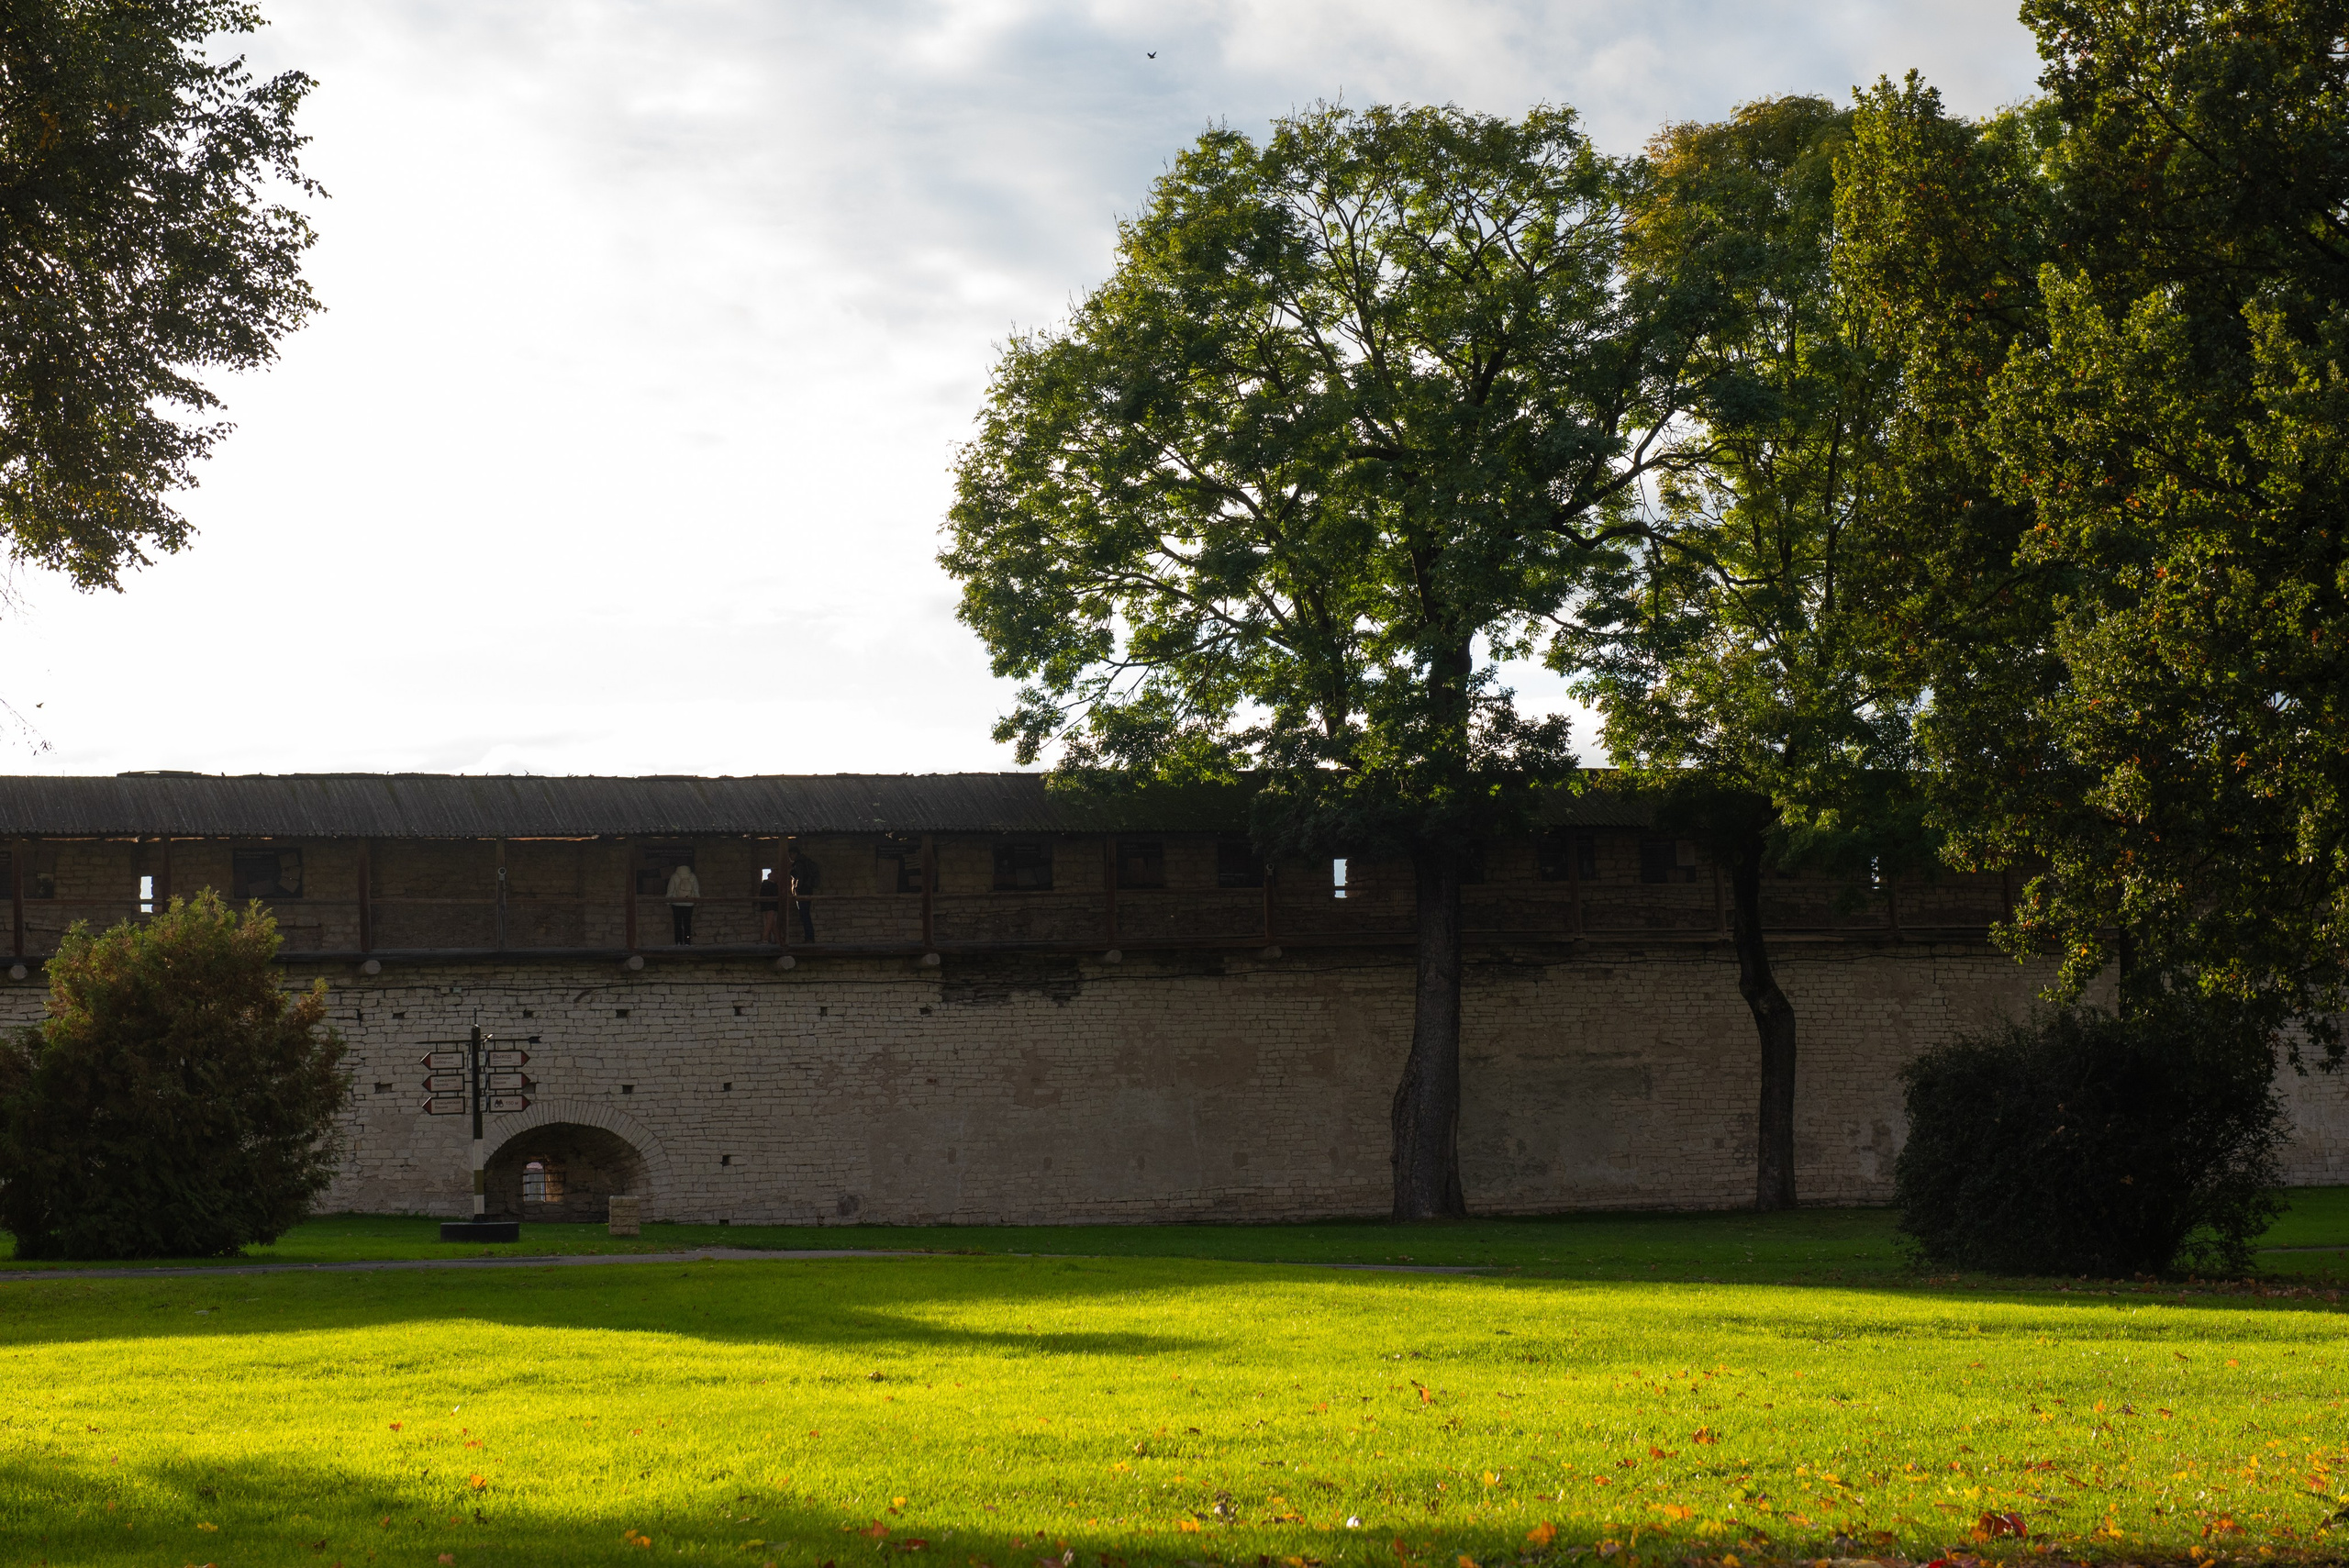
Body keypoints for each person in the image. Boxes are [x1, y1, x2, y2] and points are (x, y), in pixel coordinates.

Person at [665, 860, 700, 945]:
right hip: (689, 904)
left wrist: (667, 902)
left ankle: (678, 942)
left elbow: (670, 891)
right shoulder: (692, 876)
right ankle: (687, 942)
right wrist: (697, 901)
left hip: (676, 904)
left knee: (678, 924)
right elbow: (696, 891)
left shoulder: (674, 876)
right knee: (687, 924)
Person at [788, 848, 818, 943]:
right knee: (805, 915)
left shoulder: (799, 864)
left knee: (804, 915)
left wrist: (797, 890)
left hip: (803, 893)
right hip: (808, 891)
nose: (790, 857)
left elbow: (800, 879)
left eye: (791, 854)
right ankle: (809, 937)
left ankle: (809, 938)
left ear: (795, 854)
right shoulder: (804, 863)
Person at [757, 868, 781, 944]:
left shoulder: (767, 884)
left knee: (771, 923)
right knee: (770, 923)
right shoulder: (770, 885)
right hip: (770, 906)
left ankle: (776, 940)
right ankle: (766, 939)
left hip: (768, 906)